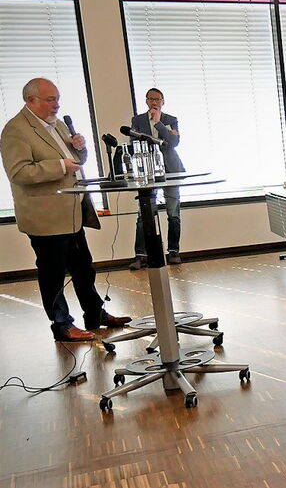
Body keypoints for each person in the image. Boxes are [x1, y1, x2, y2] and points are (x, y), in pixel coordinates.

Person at [0, 78, 131, 341]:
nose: (57, 105)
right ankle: (61, 325)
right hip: (45, 217)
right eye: (51, 100)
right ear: (31, 100)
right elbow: (19, 172)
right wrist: (60, 166)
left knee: (84, 268)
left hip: (71, 211)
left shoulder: (57, 125)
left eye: (57, 99)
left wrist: (80, 148)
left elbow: (76, 162)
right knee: (53, 274)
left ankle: (95, 314)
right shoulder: (16, 130)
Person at [128, 88, 184, 270]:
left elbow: (173, 143)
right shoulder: (137, 121)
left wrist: (159, 124)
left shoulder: (170, 120)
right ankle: (141, 255)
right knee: (144, 214)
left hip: (170, 170)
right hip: (147, 171)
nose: (154, 102)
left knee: (173, 213)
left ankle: (174, 251)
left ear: (163, 102)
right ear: (146, 101)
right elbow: (134, 143)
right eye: (151, 99)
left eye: (158, 99)